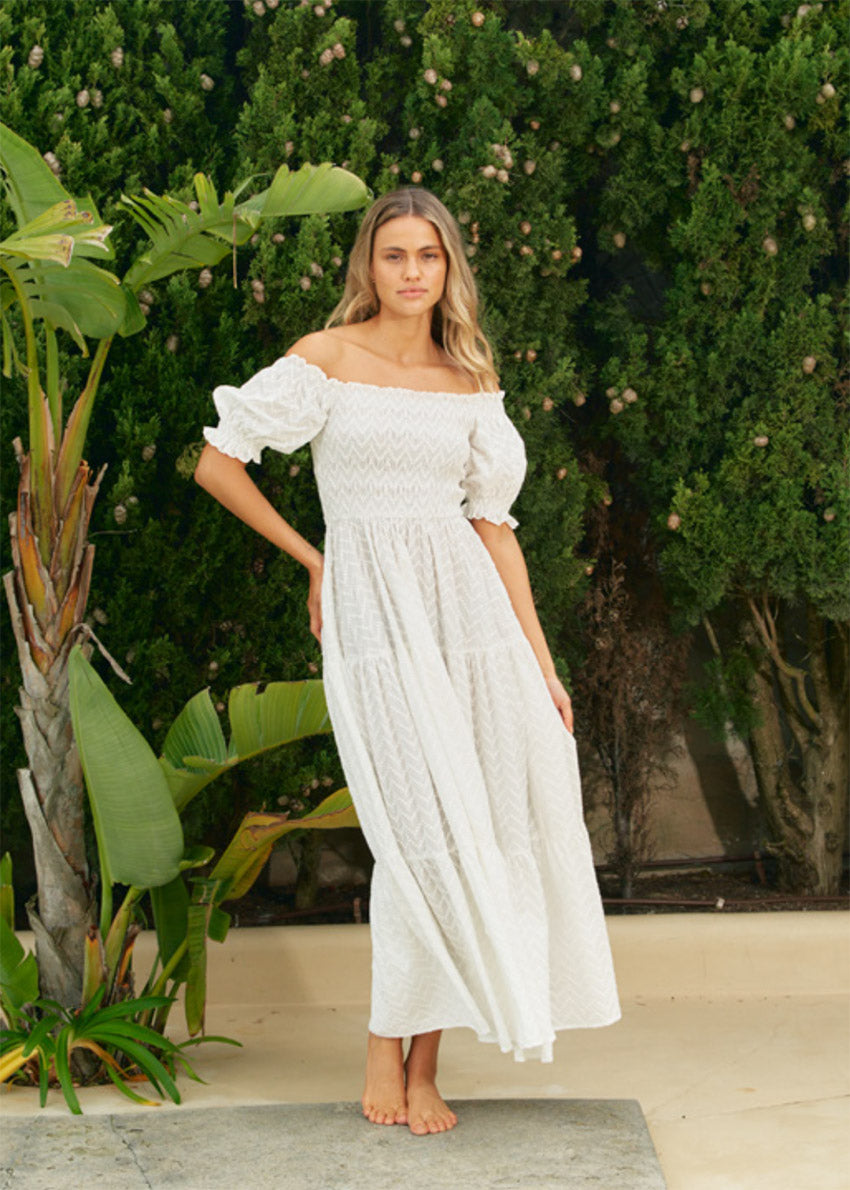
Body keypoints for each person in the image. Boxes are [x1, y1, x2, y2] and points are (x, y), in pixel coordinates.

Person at [194, 186, 621, 1137]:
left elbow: (494, 529)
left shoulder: (468, 379)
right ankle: (387, 1042)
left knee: (476, 827)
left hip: (471, 623)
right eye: (395, 255)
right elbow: (219, 464)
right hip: (375, 623)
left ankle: (419, 1063)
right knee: (413, 832)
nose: (413, 271)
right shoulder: (326, 360)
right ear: (369, 265)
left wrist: (542, 665)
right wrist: (317, 562)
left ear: (449, 267)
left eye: (430, 255)